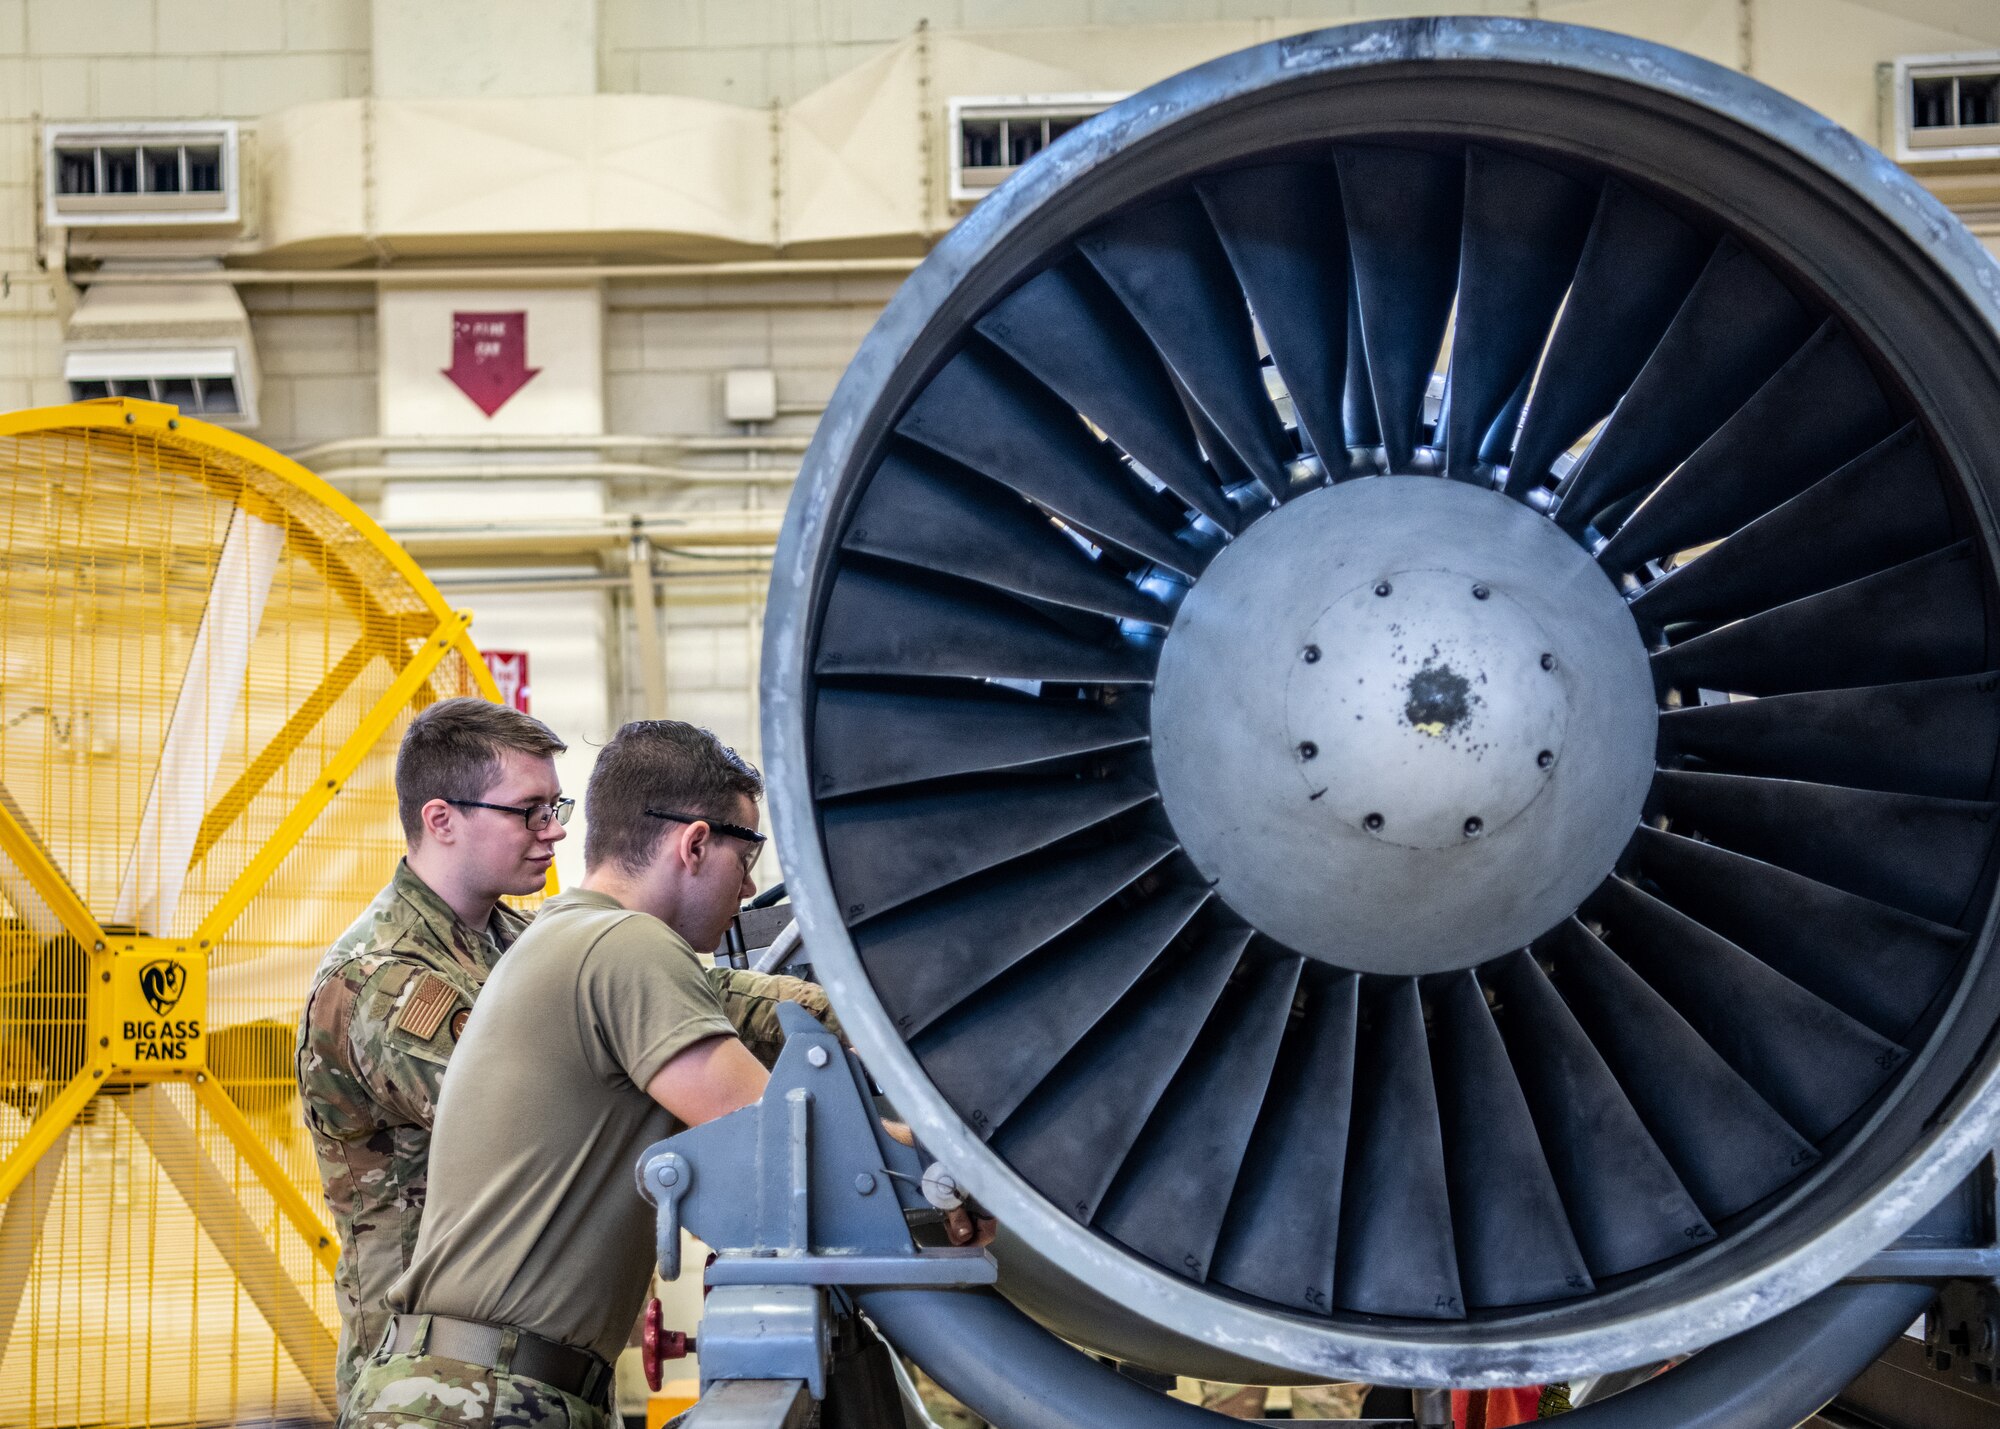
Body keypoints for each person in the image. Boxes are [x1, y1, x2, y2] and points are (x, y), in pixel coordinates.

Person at [300, 702, 841, 1407]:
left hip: (534, 1362)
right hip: (448, 1375)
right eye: (528, 810)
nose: (554, 829)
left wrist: (838, 1008)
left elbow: (694, 989)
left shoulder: (527, 942)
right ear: (441, 819)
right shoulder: (379, 981)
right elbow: (558, 1098)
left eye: (556, 805)